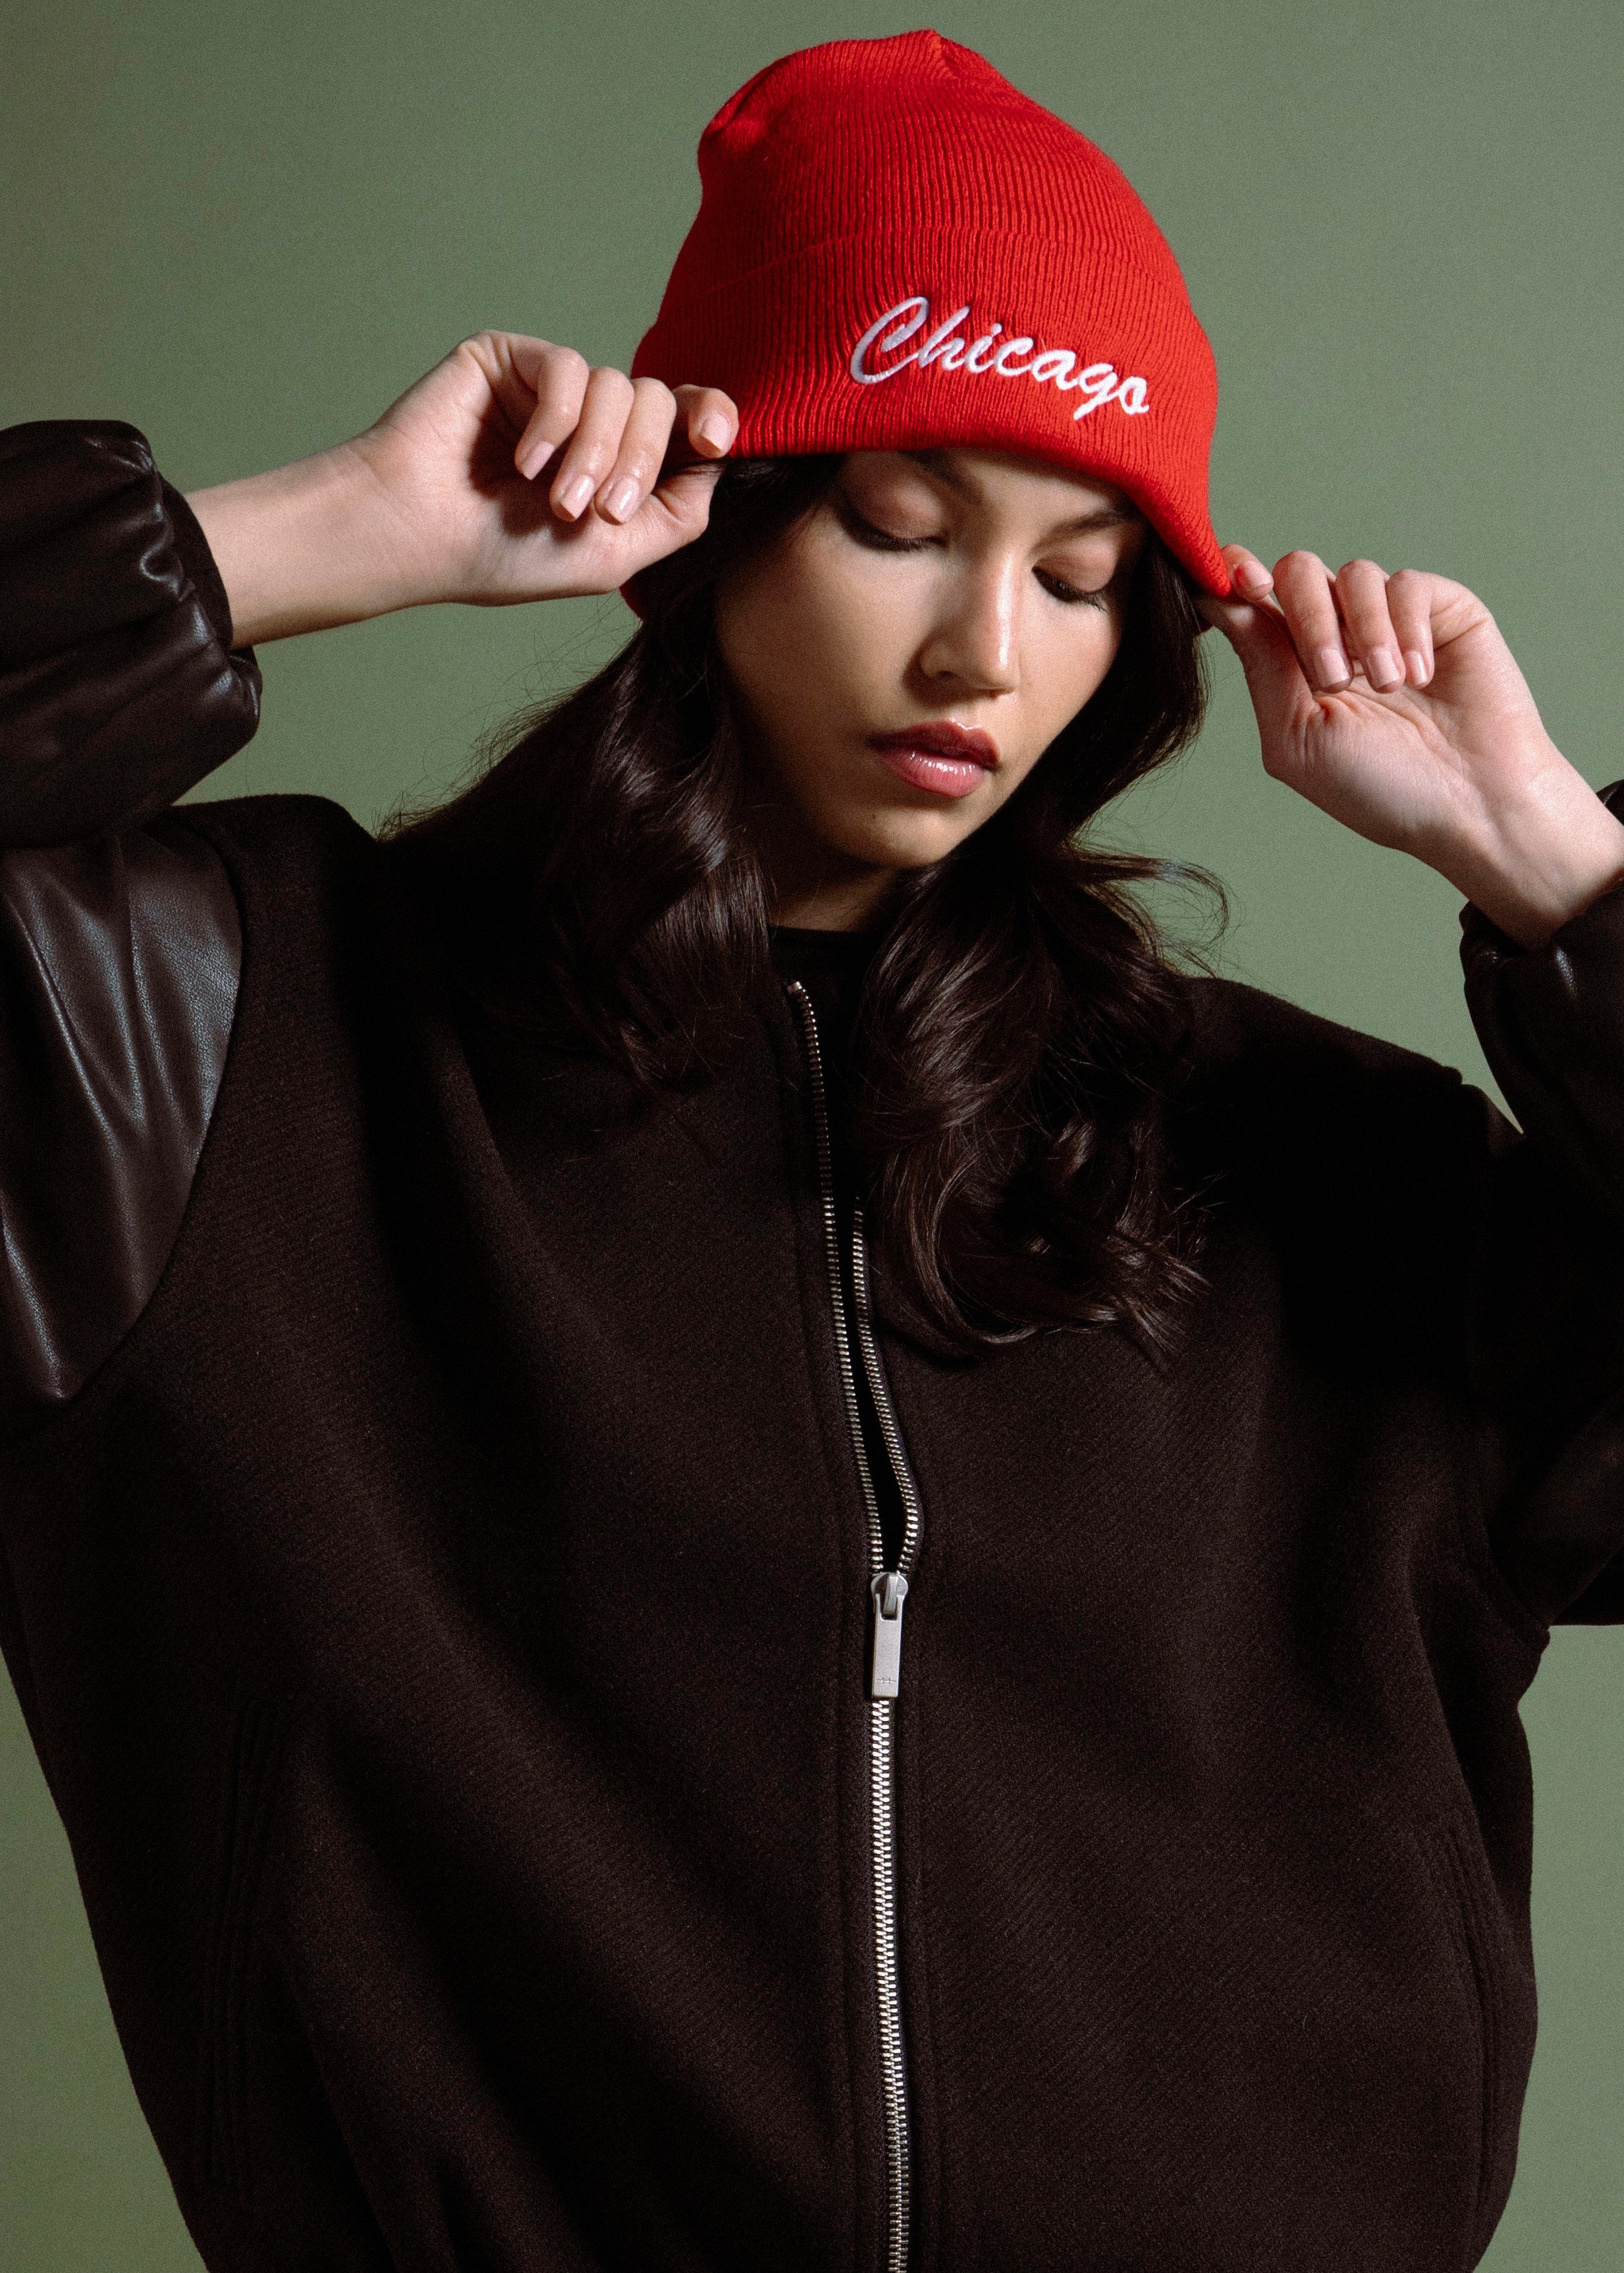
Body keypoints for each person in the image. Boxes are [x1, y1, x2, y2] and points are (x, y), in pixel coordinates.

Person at [3, 26, 1623, 2272]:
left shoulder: (1330, 1174)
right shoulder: (219, 1053)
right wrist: (309, 536)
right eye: (896, 525)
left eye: (1080, 574)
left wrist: (1564, 882)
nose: (982, 650)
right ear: (721, 521)